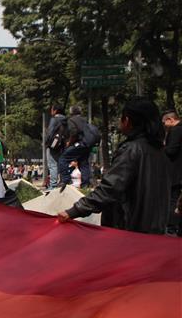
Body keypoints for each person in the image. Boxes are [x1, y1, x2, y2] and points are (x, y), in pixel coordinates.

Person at [58, 98, 171, 235]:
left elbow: (110, 188)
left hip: (130, 230)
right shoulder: (159, 150)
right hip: (155, 231)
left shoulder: (131, 150)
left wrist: (73, 211)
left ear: (127, 120)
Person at [59, 106, 91, 187]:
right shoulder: (85, 120)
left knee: (63, 159)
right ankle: (85, 185)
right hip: (87, 144)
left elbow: (73, 133)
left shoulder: (71, 120)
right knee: (84, 164)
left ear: (71, 112)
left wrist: (69, 142)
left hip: (78, 144)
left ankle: (66, 180)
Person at [162, 109, 182, 236]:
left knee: (172, 199)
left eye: (164, 122)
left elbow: (171, 151)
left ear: (170, 120)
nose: (164, 125)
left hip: (175, 172)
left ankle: (171, 226)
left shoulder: (176, 131)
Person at [45, 103, 67, 190]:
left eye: (52, 109)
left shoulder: (54, 119)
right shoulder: (66, 120)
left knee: (53, 165)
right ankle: (63, 182)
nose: (51, 111)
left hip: (53, 145)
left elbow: (50, 133)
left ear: (55, 110)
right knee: (62, 164)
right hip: (63, 145)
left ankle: (52, 186)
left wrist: (46, 143)